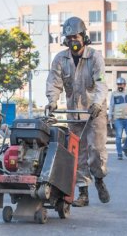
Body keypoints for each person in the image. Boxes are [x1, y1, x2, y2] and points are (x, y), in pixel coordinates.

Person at [45, 16, 109, 207]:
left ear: (83, 36)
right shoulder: (60, 59)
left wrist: (97, 103)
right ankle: (83, 192)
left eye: (76, 36)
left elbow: (101, 84)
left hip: (95, 113)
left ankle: (99, 179)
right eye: (69, 37)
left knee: (96, 152)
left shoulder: (95, 57)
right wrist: (52, 102)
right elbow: (53, 83)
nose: (73, 41)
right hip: (74, 115)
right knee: (78, 155)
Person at [108, 78, 127, 160]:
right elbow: (111, 106)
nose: (119, 86)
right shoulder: (114, 94)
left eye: (121, 84)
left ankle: (125, 147)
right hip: (118, 119)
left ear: (124, 85)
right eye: (118, 84)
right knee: (118, 137)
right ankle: (119, 153)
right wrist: (110, 116)